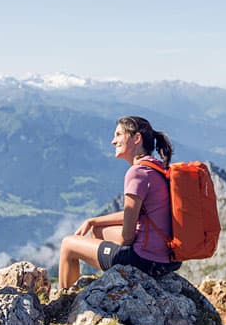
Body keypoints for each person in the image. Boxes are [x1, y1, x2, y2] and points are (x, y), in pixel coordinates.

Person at [58, 116, 179, 289]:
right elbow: (135, 214)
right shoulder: (156, 168)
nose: (113, 141)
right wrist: (93, 221)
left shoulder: (137, 173)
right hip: (167, 259)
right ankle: (111, 279)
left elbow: (127, 237)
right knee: (97, 230)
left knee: (68, 245)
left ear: (136, 138)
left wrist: (117, 254)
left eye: (118, 134)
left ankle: (65, 298)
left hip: (146, 261)